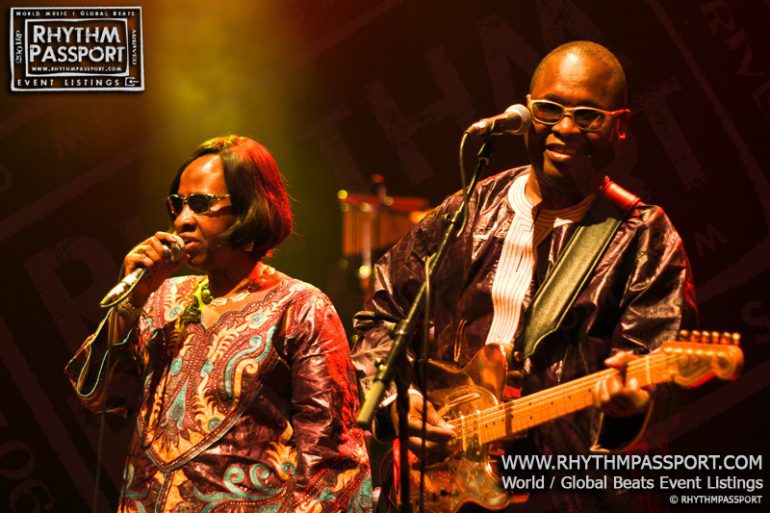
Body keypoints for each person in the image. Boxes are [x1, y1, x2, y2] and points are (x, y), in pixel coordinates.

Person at [351, 41, 697, 512]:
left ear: (621, 125)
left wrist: (632, 411)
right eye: (550, 110)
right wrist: (399, 402)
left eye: (588, 116)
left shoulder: (643, 240)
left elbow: (660, 382)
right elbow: (382, 315)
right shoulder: (468, 208)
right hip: (438, 484)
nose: (565, 128)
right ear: (528, 111)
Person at [66, 135, 372, 512]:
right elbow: (98, 395)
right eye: (176, 204)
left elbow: (332, 463)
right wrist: (131, 303)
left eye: (200, 204)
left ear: (249, 207)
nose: (182, 220)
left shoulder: (301, 307)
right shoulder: (164, 297)